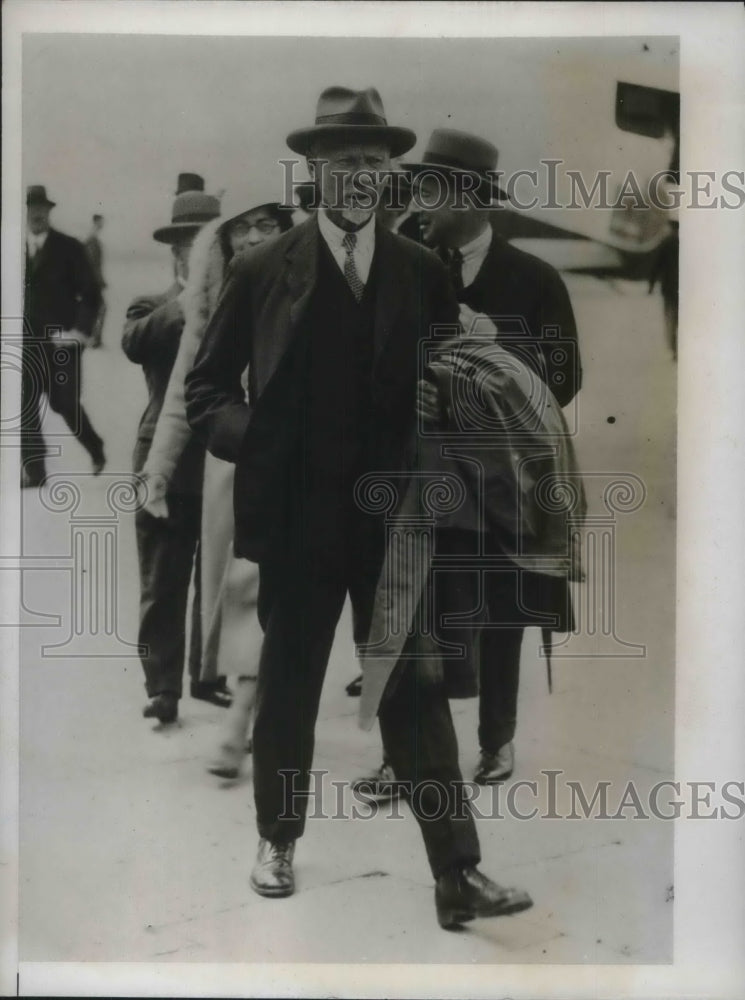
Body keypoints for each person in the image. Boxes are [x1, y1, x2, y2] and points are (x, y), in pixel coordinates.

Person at [185, 86, 532, 929]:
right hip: (299, 522)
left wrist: (481, 380)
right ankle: (276, 840)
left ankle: (458, 874)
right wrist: (263, 443)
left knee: (413, 693)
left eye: (377, 164)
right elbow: (204, 391)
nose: (363, 178)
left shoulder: (420, 270)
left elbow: (451, 379)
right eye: (346, 163)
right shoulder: (264, 268)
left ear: (390, 176)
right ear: (314, 171)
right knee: (293, 686)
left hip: (394, 523)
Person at [356, 129, 582, 796]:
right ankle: (408, 756)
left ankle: (496, 740)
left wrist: (488, 361)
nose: (420, 205)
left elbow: (564, 378)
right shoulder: (402, 266)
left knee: (505, 606)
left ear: (472, 196)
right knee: (413, 606)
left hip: (506, 475)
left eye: (431, 190)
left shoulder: (534, 278)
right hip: (424, 471)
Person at [140, 191, 295, 776]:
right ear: (222, 240)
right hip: (233, 466)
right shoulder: (210, 300)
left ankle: (246, 718)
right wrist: (157, 470)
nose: (256, 237)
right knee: (241, 591)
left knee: (273, 593)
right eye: (243, 228)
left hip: (302, 462)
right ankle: (242, 717)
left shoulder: (303, 284)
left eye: (268, 224)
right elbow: (184, 391)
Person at [121, 173, 223, 725]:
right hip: (162, 464)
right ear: (176, 254)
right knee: (162, 581)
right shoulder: (152, 305)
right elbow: (134, 343)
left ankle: (209, 678)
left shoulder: (237, 303)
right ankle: (162, 687)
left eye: (205, 243)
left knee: (217, 578)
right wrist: (190, 301)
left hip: (220, 464)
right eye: (187, 247)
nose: (196, 254)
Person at [22, 185, 106, 487]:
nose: (37, 214)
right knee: (24, 404)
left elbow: (92, 295)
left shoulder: (69, 248)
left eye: (42, 208)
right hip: (24, 345)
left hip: (62, 344)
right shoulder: (12, 248)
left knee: (65, 404)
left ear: (50, 211)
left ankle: (96, 448)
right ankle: (36, 472)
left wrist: (79, 333)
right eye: (32, 208)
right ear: (25, 212)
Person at [84, 214, 107, 348]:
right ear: (96, 222)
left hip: (93, 282)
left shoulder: (92, 239)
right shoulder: (92, 240)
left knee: (97, 309)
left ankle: (94, 339)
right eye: (101, 222)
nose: (102, 224)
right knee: (101, 309)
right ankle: (94, 340)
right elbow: (92, 264)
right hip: (92, 283)